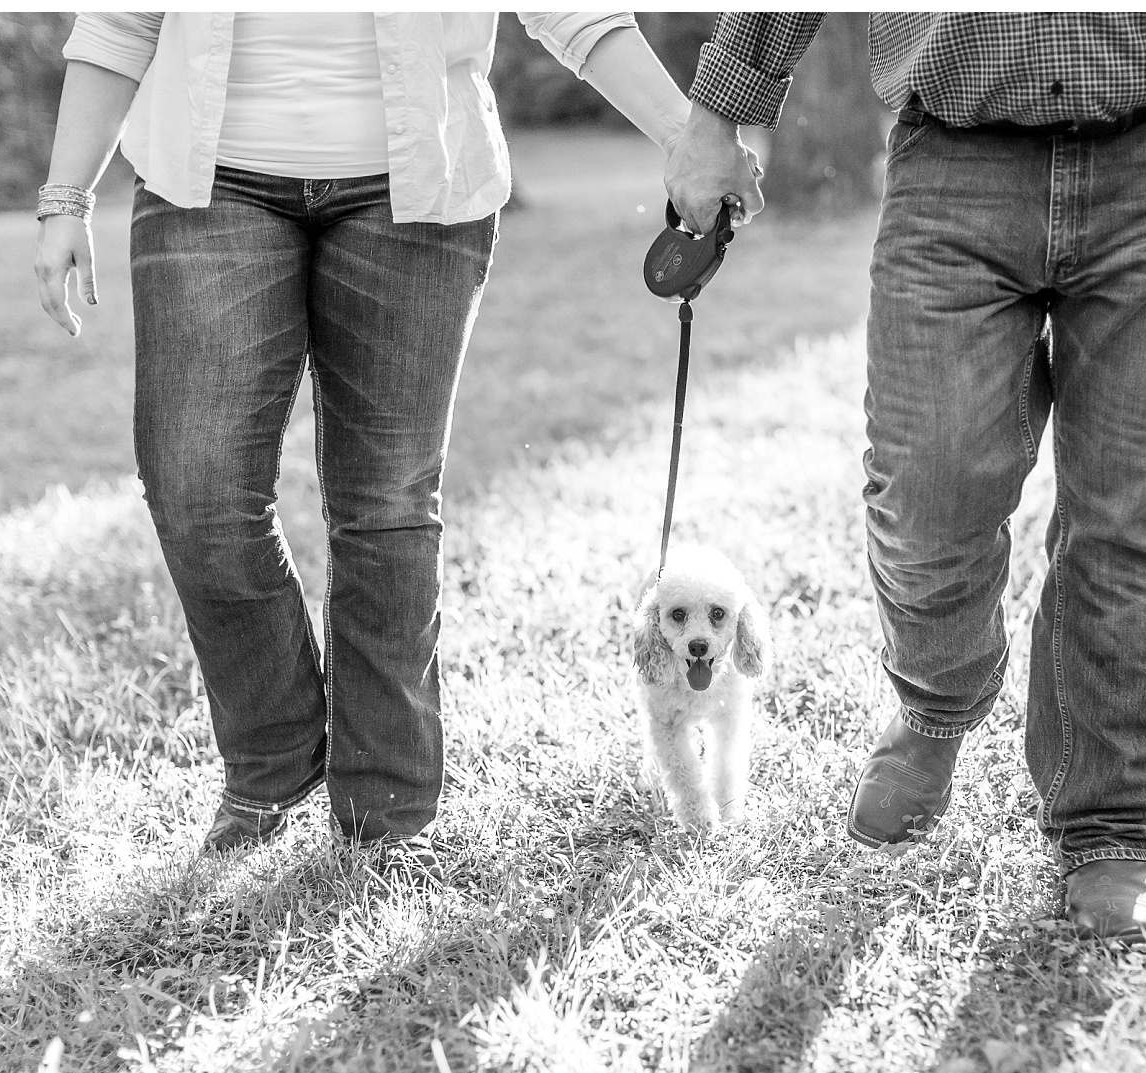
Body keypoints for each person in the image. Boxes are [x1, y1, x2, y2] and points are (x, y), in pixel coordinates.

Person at [664, 13, 1146, 939]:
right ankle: (938, 707)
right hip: (956, 160)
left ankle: (1105, 822)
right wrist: (715, 116)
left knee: (1129, 518)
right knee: (923, 488)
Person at [35, 13, 730, 869]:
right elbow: (117, 25)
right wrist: (66, 196)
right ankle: (278, 753)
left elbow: (576, 12)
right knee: (196, 487)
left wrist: (684, 138)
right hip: (205, 187)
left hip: (419, 195)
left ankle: (386, 806)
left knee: (388, 502)